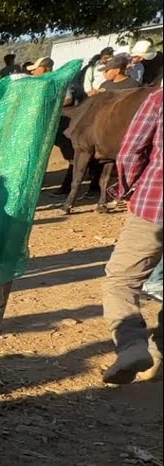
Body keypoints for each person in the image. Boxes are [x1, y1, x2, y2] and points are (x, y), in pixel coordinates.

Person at [101, 87, 163, 384]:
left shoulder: (158, 98)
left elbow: (130, 151)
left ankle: (132, 345)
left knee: (121, 280)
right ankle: (159, 357)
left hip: (155, 205)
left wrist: (126, 189)